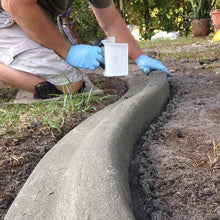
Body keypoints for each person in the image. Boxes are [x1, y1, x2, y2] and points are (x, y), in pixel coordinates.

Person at [0, 0, 169, 99]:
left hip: (29, 17)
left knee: (68, 81)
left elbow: (111, 21)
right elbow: (14, 4)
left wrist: (139, 57)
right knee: (69, 85)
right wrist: (67, 51)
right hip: (9, 13)